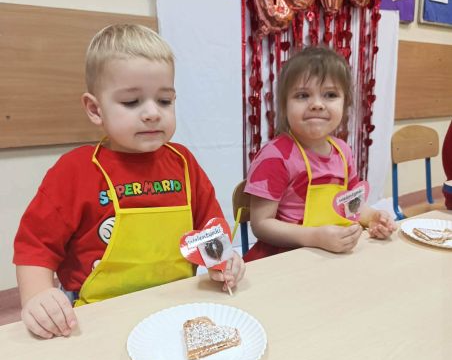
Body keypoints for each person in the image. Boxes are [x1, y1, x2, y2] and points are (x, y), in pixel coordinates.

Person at [14, 24, 245, 339]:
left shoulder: (183, 163)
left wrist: (223, 260)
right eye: (132, 102)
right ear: (95, 109)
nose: (152, 113)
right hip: (95, 318)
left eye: (164, 101)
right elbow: (35, 246)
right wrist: (37, 295)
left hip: (177, 309)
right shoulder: (75, 171)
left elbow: (209, 228)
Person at [243, 46, 396, 261]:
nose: (316, 104)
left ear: (345, 103)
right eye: (302, 95)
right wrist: (315, 237)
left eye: (330, 95)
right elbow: (261, 225)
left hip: (330, 256)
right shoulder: (275, 156)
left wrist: (372, 217)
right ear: (284, 106)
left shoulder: (343, 152)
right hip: (282, 259)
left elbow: (351, 205)